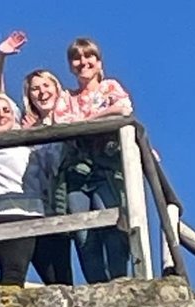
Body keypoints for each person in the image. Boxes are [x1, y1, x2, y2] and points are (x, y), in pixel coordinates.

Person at [0, 31, 73, 284]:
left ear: (57, 88)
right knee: (14, 274)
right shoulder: (25, 128)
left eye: (46, 85)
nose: (41, 91)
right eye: (35, 88)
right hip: (31, 206)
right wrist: (0, 58)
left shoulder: (74, 116)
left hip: (60, 205)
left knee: (62, 280)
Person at [53, 37, 134, 283]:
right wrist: (100, 118)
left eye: (89, 56)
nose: (83, 62)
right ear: (70, 66)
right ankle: (96, 286)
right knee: (83, 234)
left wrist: (86, 121)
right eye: (76, 58)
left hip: (106, 168)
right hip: (77, 172)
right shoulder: (67, 96)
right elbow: (61, 123)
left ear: (99, 62)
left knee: (112, 226)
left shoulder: (110, 87)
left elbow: (123, 108)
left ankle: (119, 283)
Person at [0, 94, 59, 285]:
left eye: (6, 110)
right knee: (13, 275)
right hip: (6, 211)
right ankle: (5, 306)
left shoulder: (29, 141)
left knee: (59, 280)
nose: (1, 115)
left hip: (40, 211)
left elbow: (51, 165)